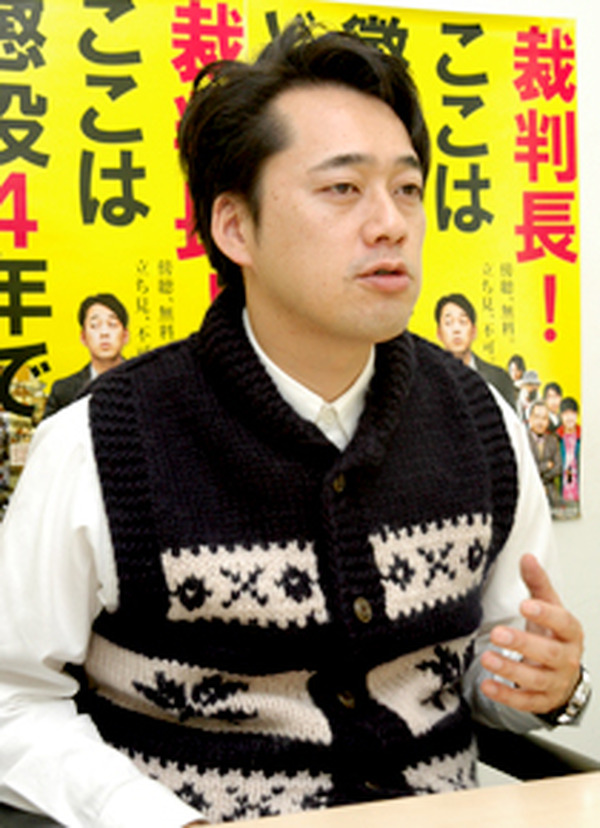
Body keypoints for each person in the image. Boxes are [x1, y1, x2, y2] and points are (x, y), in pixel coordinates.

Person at [0, 22, 588, 828]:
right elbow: (12, 701)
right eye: (342, 189)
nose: (391, 223)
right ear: (234, 227)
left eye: (407, 189)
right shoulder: (101, 442)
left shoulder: (483, 421)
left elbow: (492, 672)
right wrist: (160, 820)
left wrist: (547, 684)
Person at [42, 293, 129, 419]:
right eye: (95, 325)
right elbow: (50, 432)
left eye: (112, 324)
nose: (104, 333)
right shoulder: (63, 392)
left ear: (125, 335)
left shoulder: (147, 385)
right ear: (83, 337)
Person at [435, 293, 516, 408]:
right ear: (439, 333)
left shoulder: (498, 378)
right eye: (448, 323)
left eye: (463, 322)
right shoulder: (429, 381)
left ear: (474, 331)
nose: (456, 330)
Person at [526, 401, 562, 510]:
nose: (540, 422)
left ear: (548, 421)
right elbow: (525, 470)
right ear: (530, 419)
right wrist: (546, 466)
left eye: (544, 418)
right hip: (528, 496)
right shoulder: (522, 439)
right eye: (537, 417)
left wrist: (540, 477)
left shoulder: (553, 440)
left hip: (551, 497)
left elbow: (558, 468)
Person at [557, 397, 581, 518]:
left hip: (579, 492)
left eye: (572, 413)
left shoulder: (583, 436)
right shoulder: (556, 437)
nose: (569, 417)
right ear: (561, 416)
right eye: (566, 414)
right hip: (562, 493)